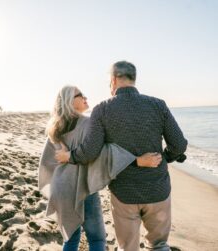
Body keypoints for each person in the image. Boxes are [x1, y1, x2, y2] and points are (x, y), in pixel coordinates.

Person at [55, 61, 188, 251]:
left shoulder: (102, 109)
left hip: (124, 193)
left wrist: (71, 156)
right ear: (134, 79)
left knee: (128, 248)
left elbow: (90, 151)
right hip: (158, 190)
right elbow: (179, 144)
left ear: (114, 79)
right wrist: (165, 157)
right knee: (159, 245)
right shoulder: (158, 105)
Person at [39, 85, 162, 251]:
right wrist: (137, 160)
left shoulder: (54, 128)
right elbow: (105, 152)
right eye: (80, 95)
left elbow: (48, 162)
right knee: (97, 239)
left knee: (70, 239)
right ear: (69, 100)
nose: (85, 97)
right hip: (82, 188)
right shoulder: (88, 124)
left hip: (61, 189)